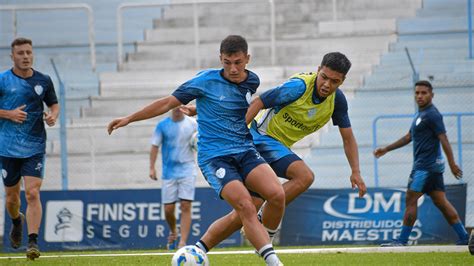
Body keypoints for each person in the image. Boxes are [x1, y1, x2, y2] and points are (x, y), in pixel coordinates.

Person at [108, 35, 285, 266]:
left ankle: (212, 246)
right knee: (245, 206)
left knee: (277, 195)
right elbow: (166, 103)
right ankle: (273, 261)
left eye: (238, 62)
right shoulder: (204, 81)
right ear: (220, 59)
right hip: (215, 157)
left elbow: (227, 110)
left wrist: (200, 110)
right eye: (227, 62)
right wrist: (129, 118)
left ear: (247, 59)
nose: (232, 68)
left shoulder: (252, 81)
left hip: (244, 149)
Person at [182, 52, 368, 247]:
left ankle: (199, 249)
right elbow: (258, 102)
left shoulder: (337, 102)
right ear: (318, 70)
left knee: (243, 213)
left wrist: (355, 171)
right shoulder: (298, 87)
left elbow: (348, 138)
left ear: (342, 81)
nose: (327, 85)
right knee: (304, 176)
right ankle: (267, 228)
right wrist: (236, 132)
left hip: (277, 148)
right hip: (260, 138)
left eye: (334, 81)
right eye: (324, 77)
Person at [374, 80, 469, 246]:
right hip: (433, 167)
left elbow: (443, 138)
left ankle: (401, 241)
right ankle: (464, 237)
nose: (419, 96)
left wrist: (452, 163)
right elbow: (409, 137)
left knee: (410, 200)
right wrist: (387, 149)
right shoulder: (420, 114)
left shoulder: (432, 114)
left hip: (424, 167)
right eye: (417, 93)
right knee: (441, 201)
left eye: (424, 93)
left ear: (432, 95)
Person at [0, 37, 59, 260]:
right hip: (6, 147)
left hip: (34, 145)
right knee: (12, 199)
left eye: (28, 52)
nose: (25, 56)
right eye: (20, 53)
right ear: (12, 56)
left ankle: (33, 242)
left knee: (33, 193)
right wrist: (8, 114)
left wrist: (53, 115)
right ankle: (16, 221)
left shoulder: (43, 80)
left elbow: (54, 103)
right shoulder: (3, 80)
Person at [149, 107, 197, 249]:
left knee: (185, 205)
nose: (177, 109)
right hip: (169, 172)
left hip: (188, 169)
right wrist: (152, 167)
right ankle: (173, 231)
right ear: (170, 108)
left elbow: (203, 138)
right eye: (174, 106)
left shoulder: (193, 123)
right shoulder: (162, 125)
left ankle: (182, 243)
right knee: (169, 209)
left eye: (180, 105)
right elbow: (154, 146)